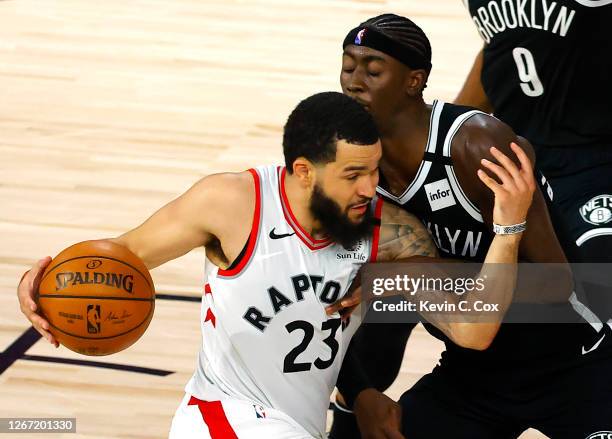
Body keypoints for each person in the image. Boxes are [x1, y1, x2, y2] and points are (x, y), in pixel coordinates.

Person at [16, 91, 533, 439]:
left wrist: (507, 228)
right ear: (304, 172)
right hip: (219, 417)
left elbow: (473, 328)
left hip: (299, 424)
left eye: (374, 171)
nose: (368, 187)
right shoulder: (231, 203)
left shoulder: (390, 233)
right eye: (353, 174)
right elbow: (119, 258)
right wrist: (35, 282)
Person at [331, 14, 612, 439]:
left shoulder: (477, 145)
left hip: (575, 367)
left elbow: (555, 282)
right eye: (348, 67)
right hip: (473, 377)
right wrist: (359, 392)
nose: (355, 82)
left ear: (413, 81)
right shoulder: (356, 168)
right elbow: (331, 297)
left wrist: (408, 275)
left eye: (372, 70)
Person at [456, 0, 612, 338]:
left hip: (594, 161)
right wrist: (446, 130)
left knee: (600, 296)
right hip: (517, 162)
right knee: (404, 278)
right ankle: (356, 387)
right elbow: (504, 43)